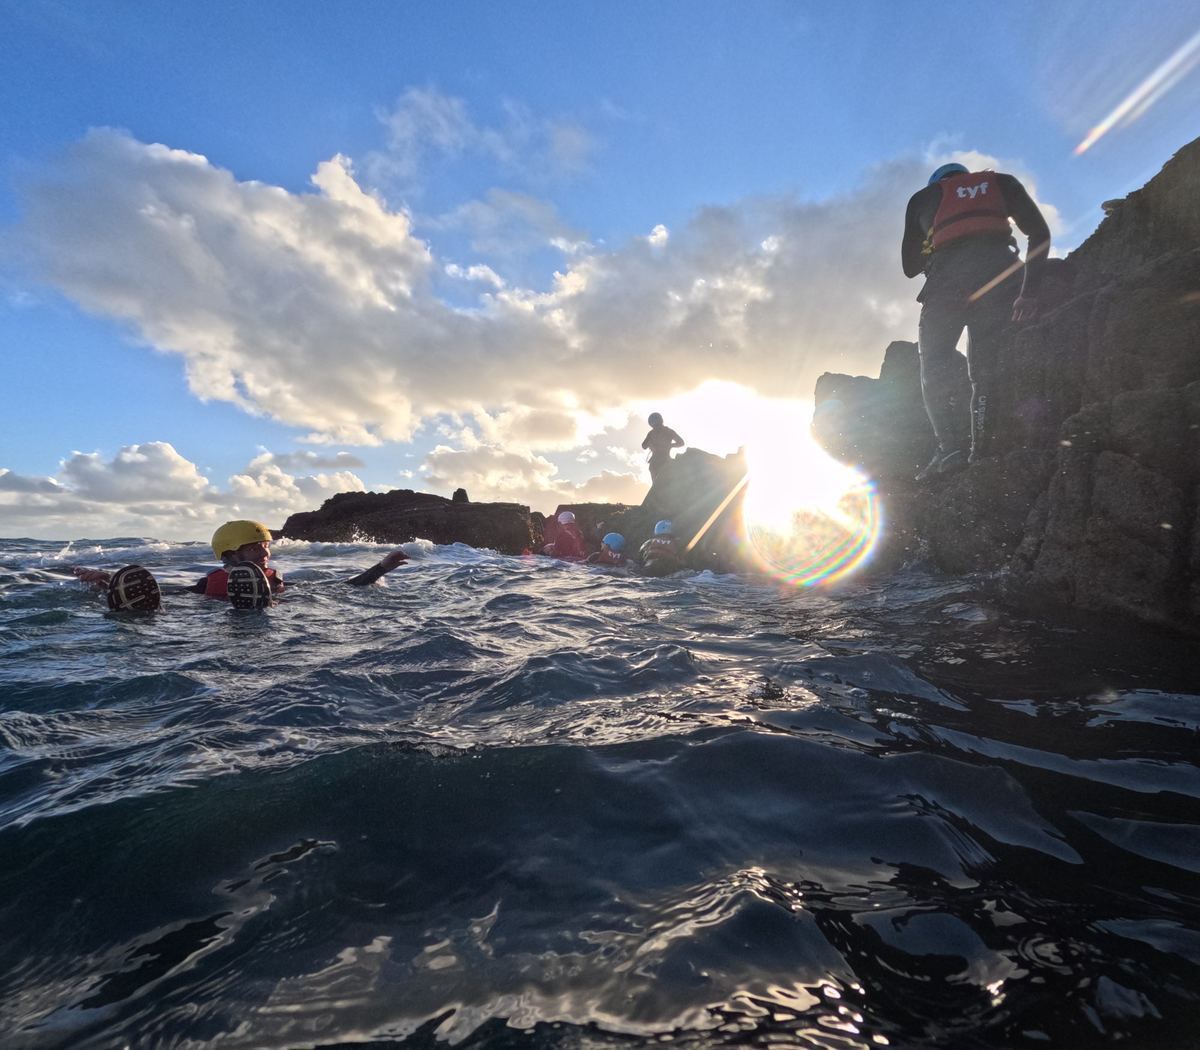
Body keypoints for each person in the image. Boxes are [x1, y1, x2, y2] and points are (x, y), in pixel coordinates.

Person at [902, 161, 1051, 480]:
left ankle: (950, 449)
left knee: (934, 366)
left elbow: (910, 266)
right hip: (1000, 279)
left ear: (937, 183)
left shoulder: (923, 198)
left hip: (945, 286)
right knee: (984, 369)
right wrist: (1029, 293)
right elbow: (1039, 233)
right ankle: (982, 448)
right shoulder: (1002, 183)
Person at [73, 519, 407, 609]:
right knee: (170, 606)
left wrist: (381, 568)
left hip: (272, 610)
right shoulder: (210, 583)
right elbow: (173, 593)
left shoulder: (278, 582)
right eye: (254, 550)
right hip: (216, 612)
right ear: (230, 556)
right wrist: (112, 582)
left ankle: (256, 605)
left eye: (266, 548)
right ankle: (133, 612)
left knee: (285, 600)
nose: (264, 554)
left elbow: (340, 589)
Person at [641, 413, 684, 483]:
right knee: (658, 485)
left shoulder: (667, 431)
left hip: (664, 462)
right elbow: (643, 445)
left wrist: (669, 445)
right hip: (656, 463)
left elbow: (681, 442)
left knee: (662, 485)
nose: (655, 427)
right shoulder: (652, 433)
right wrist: (651, 444)